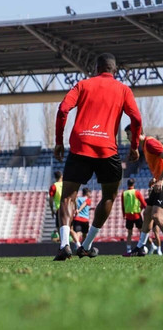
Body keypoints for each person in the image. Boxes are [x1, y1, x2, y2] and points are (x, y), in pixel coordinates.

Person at [53, 53, 142, 261]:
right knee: (109, 197)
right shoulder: (123, 89)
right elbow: (136, 118)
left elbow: (63, 109)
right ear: (115, 70)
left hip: (80, 145)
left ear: (96, 69)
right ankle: (86, 245)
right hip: (107, 149)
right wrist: (135, 146)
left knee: (67, 197)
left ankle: (65, 244)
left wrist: (59, 141)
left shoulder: (83, 85)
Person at [128, 127, 163, 256]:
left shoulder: (150, 143)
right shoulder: (145, 146)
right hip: (158, 182)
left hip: (161, 184)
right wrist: (156, 178)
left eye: (129, 134)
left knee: (156, 216)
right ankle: (140, 247)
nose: (127, 138)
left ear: (138, 134)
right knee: (147, 214)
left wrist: (161, 180)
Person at [121, 178, 146, 256]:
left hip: (128, 216)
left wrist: (123, 215)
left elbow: (122, 205)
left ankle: (128, 249)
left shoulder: (124, 193)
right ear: (133, 184)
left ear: (127, 184)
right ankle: (142, 247)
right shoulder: (137, 192)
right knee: (142, 232)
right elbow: (143, 203)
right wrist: (142, 209)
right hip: (137, 215)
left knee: (129, 233)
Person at [49, 170, 63, 240]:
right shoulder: (66, 185)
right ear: (61, 176)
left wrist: (52, 210)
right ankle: (76, 244)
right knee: (70, 228)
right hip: (68, 209)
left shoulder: (54, 186)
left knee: (59, 227)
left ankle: (63, 245)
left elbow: (51, 199)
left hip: (59, 209)